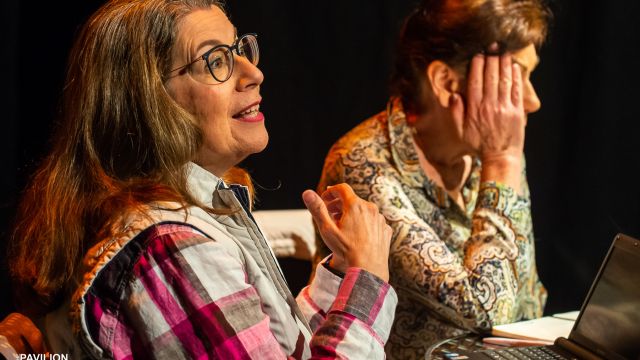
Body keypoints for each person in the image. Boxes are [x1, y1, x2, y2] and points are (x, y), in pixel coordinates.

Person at [8, 0, 397, 358]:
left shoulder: (192, 215)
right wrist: (367, 279)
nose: (254, 73)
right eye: (215, 60)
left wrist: (344, 271)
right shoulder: (167, 246)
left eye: (239, 50)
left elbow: (274, 347)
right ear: (148, 100)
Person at [313, 0, 550, 358]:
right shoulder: (363, 165)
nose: (531, 101)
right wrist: (503, 162)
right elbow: (488, 312)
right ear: (445, 81)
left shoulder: (487, 148)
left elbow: (527, 300)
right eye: (515, 77)